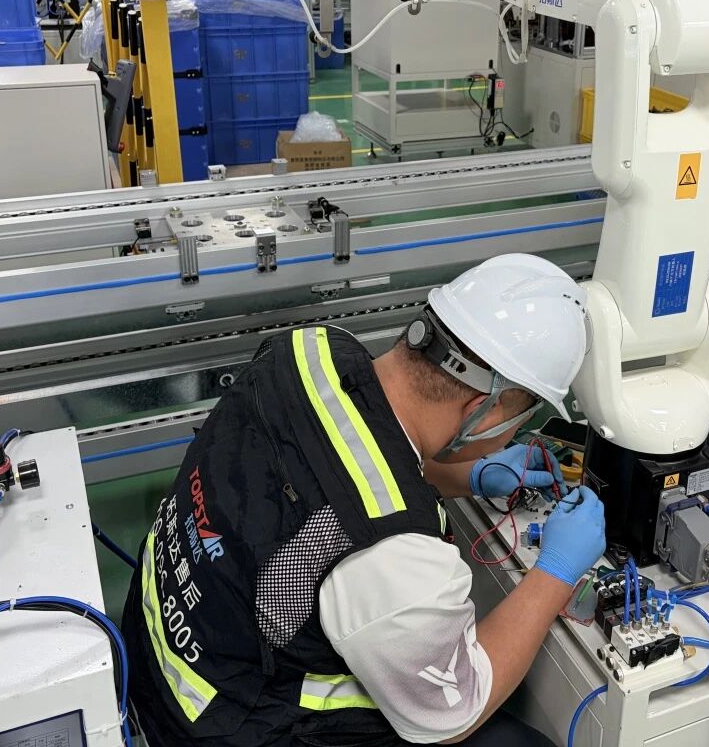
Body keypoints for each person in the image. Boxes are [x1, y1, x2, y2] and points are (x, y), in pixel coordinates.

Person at [121, 253, 606, 747]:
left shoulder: (308, 351)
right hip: (223, 728)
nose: (511, 435)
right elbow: (454, 711)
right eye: (520, 420)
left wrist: (470, 475)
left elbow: (341, 455)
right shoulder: (390, 556)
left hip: (154, 644)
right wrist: (555, 572)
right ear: (485, 409)